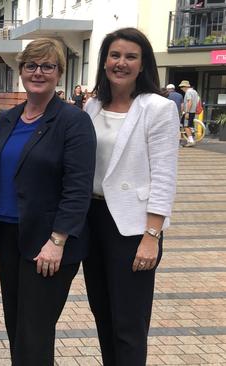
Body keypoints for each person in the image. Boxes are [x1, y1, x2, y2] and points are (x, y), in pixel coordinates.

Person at [0, 38, 96, 364]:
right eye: (31, 65)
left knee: (35, 330)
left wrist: (58, 240)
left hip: (48, 242)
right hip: (9, 235)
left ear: (59, 73)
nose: (38, 72)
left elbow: (78, 187)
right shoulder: (6, 119)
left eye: (48, 66)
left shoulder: (73, 121)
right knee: (17, 326)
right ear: (21, 70)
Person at [83, 28, 178, 365]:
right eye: (115, 55)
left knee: (129, 323)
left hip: (133, 227)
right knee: (103, 314)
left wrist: (152, 236)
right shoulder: (92, 105)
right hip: (91, 222)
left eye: (130, 57)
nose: (121, 63)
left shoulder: (158, 108)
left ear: (142, 65)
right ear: (105, 61)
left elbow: (164, 176)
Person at [179, 79, 200, 146]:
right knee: (187, 125)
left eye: (182, 87)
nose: (181, 89)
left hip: (189, 111)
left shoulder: (188, 92)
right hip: (193, 111)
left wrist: (187, 112)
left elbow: (189, 102)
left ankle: (191, 141)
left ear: (185, 86)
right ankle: (191, 133)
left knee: (186, 126)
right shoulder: (195, 91)